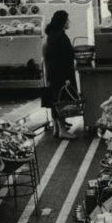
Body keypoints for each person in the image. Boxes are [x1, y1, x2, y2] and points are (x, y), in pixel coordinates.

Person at [43, 10, 79, 139]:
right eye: (67, 20)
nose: (69, 22)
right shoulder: (60, 36)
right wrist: (66, 78)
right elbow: (60, 58)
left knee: (56, 100)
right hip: (61, 74)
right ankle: (63, 130)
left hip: (55, 73)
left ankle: (58, 128)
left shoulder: (52, 34)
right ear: (63, 22)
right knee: (61, 101)